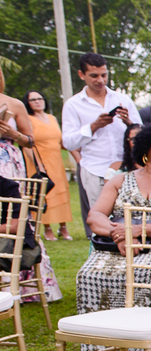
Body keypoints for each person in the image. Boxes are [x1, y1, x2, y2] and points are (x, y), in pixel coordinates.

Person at [74, 123, 151, 351]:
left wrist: (137, 231)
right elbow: (95, 217)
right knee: (89, 273)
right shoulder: (120, 180)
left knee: (150, 271)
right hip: (118, 246)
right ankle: (105, 345)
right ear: (146, 146)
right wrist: (125, 235)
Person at [61, 53, 142, 237]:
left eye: (104, 75)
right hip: (95, 168)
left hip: (126, 168)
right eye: (94, 76)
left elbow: (141, 132)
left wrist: (129, 122)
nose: (101, 80)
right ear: (82, 75)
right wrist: (94, 126)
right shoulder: (73, 104)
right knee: (100, 220)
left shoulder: (122, 99)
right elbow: (68, 141)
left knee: (130, 217)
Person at [21, 90, 72, 240]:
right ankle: (47, 228)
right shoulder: (28, 120)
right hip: (39, 162)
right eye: (33, 100)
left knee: (61, 192)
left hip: (57, 161)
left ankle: (63, 228)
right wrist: (39, 165)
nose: (38, 101)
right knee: (44, 194)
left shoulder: (52, 118)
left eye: (40, 98)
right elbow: (26, 144)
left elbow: (61, 141)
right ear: (28, 103)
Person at [0, 67, 34, 186]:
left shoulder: (15, 104)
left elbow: (30, 142)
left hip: (6, 165)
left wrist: (13, 133)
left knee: (9, 202)